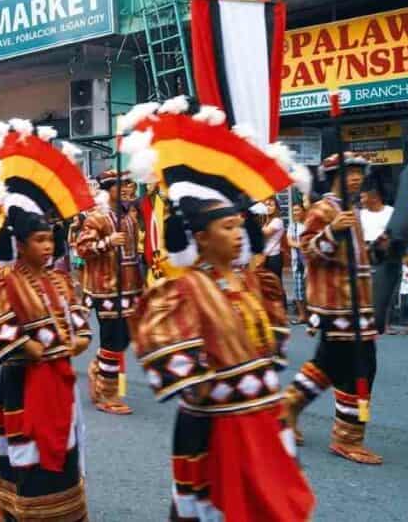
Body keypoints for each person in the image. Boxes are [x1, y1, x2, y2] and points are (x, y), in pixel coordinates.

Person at [121, 101, 315, 520]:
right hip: (216, 428)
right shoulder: (183, 291)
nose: (237, 233)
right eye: (225, 227)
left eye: (236, 225)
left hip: (261, 420)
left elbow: (274, 342)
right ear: (202, 240)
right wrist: (206, 383)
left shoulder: (247, 283)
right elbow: (163, 351)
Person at [0, 119, 95, 522]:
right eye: (40, 240)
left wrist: (81, 336)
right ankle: (26, 507)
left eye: (51, 240)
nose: (48, 246)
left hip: (59, 377)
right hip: (23, 381)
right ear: (19, 243)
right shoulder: (5, 279)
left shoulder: (59, 278)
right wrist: (24, 345)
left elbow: (77, 312)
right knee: (27, 448)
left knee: (61, 444)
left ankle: (45, 505)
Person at [285, 154, 383, 465]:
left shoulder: (351, 209)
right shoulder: (324, 209)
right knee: (359, 369)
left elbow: (355, 258)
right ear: (334, 176)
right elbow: (309, 251)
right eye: (349, 172)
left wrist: (380, 249)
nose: (356, 178)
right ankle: (347, 439)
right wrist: (332, 231)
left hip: (358, 305)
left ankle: (285, 411)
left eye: (358, 173)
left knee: (328, 365)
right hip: (336, 308)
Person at [76, 171, 142, 415]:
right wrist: (107, 243)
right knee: (112, 340)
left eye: (129, 183)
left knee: (124, 338)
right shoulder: (97, 218)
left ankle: (99, 368)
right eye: (122, 184)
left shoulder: (129, 217)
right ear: (108, 188)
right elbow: (82, 248)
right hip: (105, 289)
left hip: (129, 288)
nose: (127, 188)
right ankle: (107, 394)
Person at [287, 203, 308, 325]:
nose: (295, 213)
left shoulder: (308, 224)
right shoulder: (292, 226)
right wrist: (301, 245)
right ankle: (302, 316)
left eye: (297, 210)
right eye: (293, 210)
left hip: (309, 262)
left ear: (303, 211)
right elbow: (289, 241)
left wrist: (298, 243)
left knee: (310, 289)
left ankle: (312, 315)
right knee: (298, 289)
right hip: (297, 261)